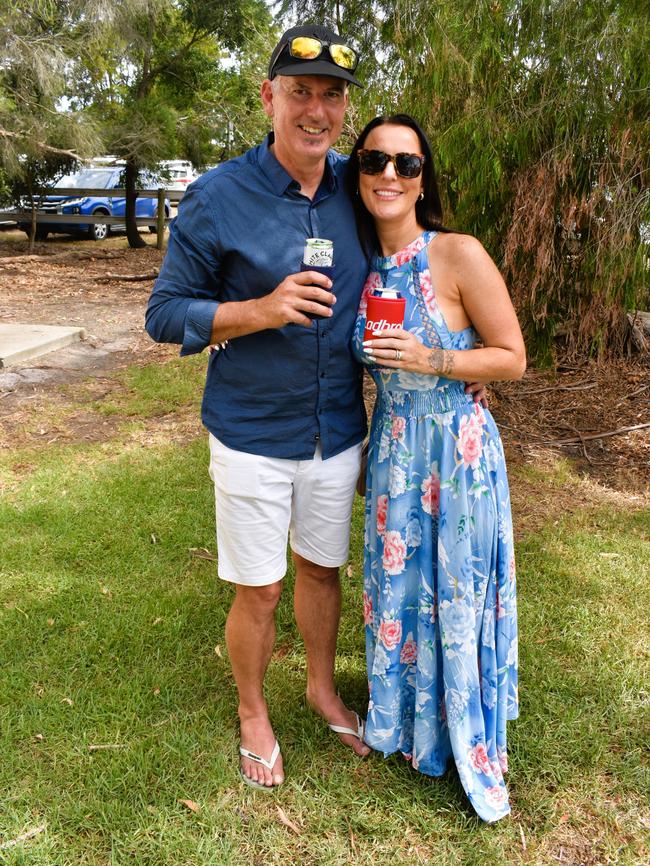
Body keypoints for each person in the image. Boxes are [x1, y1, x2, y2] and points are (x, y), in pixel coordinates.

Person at [145, 24, 373, 790]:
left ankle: (318, 688)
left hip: (336, 429)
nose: (317, 109)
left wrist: (461, 360)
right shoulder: (218, 196)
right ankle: (252, 710)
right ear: (269, 96)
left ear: (345, 107)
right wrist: (258, 310)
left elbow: (420, 267)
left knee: (320, 570)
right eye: (300, 91)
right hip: (250, 432)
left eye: (332, 95)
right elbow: (165, 313)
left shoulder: (362, 187)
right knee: (261, 585)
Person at [349, 114, 525, 822]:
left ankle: (460, 734)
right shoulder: (361, 262)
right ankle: (403, 726)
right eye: (375, 161)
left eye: (407, 164)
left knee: (452, 590)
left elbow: (511, 356)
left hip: (456, 453)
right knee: (399, 590)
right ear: (358, 173)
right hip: (394, 449)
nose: (390, 174)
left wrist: (437, 362)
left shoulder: (457, 254)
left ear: (424, 179)